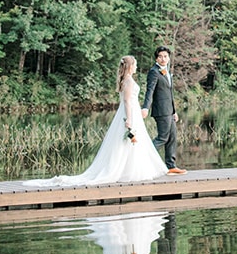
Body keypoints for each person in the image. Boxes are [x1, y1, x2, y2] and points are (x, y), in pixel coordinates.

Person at [24, 56, 168, 186]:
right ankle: (124, 171)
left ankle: (129, 169)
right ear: (130, 66)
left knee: (129, 143)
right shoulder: (129, 81)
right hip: (130, 114)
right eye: (135, 65)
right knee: (127, 142)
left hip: (131, 113)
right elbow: (127, 101)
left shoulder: (126, 80)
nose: (136, 67)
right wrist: (129, 119)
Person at [141, 46, 186, 175]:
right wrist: (145, 107)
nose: (163, 59)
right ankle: (144, 155)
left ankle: (171, 166)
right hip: (161, 111)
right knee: (163, 137)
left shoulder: (167, 71)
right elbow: (150, 91)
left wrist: (174, 111)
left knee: (172, 137)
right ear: (156, 58)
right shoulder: (154, 72)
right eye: (160, 56)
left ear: (168, 58)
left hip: (169, 111)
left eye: (165, 56)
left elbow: (170, 93)